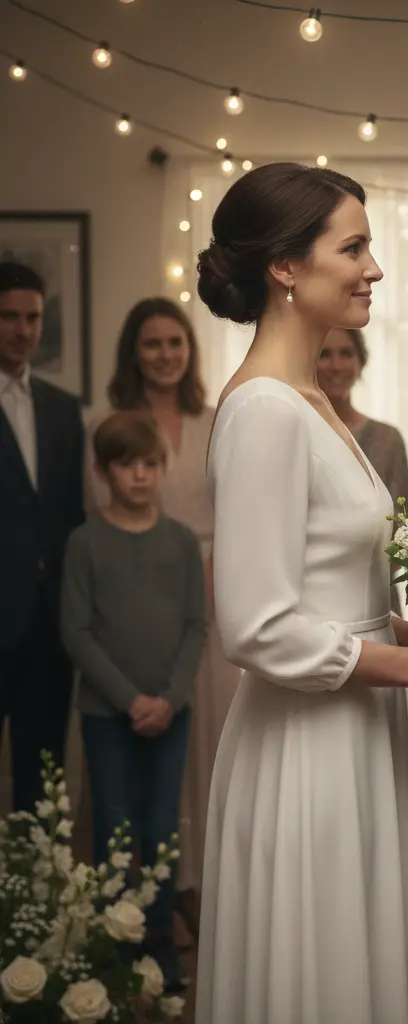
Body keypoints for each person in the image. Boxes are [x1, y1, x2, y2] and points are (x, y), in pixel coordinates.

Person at [193, 162, 408, 1024]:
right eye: (354, 246)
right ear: (285, 267)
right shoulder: (264, 412)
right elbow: (254, 626)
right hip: (304, 749)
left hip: (352, 728)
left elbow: (336, 595)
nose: (374, 267)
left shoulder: (314, 399)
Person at [85, 298, 239, 937]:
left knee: (209, 743)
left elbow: (238, 510)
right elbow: (93, 520)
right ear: (133, 352)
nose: (166, 355)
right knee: (143, 747)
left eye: (176, 342)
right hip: (137, 599)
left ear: (190, 350)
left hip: (213, 591)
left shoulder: (217, 420)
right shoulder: (108, 423)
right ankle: (143, 895)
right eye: (152, 344)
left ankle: (201, 882)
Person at [61, 410, 205, 992]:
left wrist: (168, 699)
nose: (140, 476)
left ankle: (160, 944)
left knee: (160, 827)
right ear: (102, 471)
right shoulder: (84, 542)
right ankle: (116, 949)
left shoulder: (182, 541)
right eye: (126, 464)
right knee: (116, 828)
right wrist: (130, 701)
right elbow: (77, 633)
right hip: (107, 716)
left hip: (172, 713)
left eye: (150, 464)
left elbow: (197, 626)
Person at [0, 260, 84, 812]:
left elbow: (70, 515)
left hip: (48, 625)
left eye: (31, 317)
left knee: (41, 775)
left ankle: (38, 892)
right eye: (8, 317)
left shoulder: (62, 407)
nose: (22, 329)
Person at [317, 327, 408, 611]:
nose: (336, 365)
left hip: (378, 597)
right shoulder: (298, 432)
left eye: (346, 353)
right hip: (315, 598)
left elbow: (405, 529)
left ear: (360, 361)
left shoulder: (388, 439)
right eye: (325, 354)